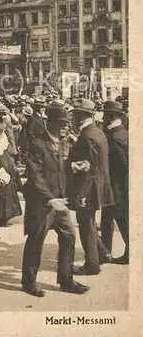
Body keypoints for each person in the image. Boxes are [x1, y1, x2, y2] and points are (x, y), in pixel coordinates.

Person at [21, 106, 90, 297]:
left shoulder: (60, 143)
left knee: (69, 236)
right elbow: (35, 176)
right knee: (36, 241)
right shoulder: (37, 144)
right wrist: (50, 199)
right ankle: (28, 282)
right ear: (50, 123)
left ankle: (65, 280)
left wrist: (74, 167)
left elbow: (60, 169)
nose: (65, 128)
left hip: (59, 202)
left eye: (67, 124)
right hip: (42, 203)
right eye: (62, 124)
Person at [68, 98, 115, 275]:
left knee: (86, 224)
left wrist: (81, 194)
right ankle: (102, 253)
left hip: (88, 189)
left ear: (81, 116)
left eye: (75, 115)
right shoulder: (97, 132)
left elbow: (88, 169)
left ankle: (91, 264)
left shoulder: (87, 136)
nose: (72, 119)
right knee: (89, 223)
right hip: (99, 186)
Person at [101, 100, 129, 264]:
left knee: (118, 218)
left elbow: (122, 164)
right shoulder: (124, 133)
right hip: (121, 185)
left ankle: (124, 252)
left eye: (106, 114)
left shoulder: (112, 137)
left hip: (115, 185)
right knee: (111, 217)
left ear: (111, 116)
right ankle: (105, 251)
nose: (104, 117)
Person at [0, 130, 22, 227]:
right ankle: (1, 218)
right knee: (3, 195)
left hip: (6, 165)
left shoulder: (3, 139)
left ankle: (4, 217)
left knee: (8, 195)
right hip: (1, 166)